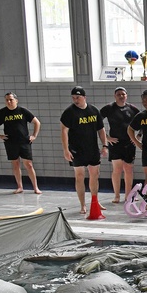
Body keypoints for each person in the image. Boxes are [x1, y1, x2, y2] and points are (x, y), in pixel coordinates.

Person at [59, 86, 107, 215]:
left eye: (78, 97)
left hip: (92, 148)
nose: (75, 100)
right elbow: (64, 131)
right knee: (79, 176)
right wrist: (65, 149)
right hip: (76, 150)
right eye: (73, 98)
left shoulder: (94, 110)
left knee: (94, 175)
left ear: (84, 97)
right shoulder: (69, 112)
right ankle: (82, 204)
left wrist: (105, 145)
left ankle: (95, 201)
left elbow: (101, 130)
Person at [0, 92, 42, 195]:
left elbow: (37, 122)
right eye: (7, 100)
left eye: (11, 100)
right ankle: (20, 187)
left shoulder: (22, 111)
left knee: (29, 165)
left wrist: (34, 135)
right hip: (10, 142)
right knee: (15, 164)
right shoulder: (3, 112)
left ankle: (35, 187)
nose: (9, 102)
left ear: (16, 101)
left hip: (24, 141)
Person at [100, 87, 139, 203]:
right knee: (117, 169)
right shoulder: (109, 108)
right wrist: (106, 137)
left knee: (128, 169)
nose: (121, 96)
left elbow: (143, 122)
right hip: (115, 142)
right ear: (115, 96)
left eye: (123, 94)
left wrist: (137, 137)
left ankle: (128, 195)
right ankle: (116, 195)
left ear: (126, 95)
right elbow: (97, 122)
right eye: (118, 94)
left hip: (129, 142)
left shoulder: (132, 109)